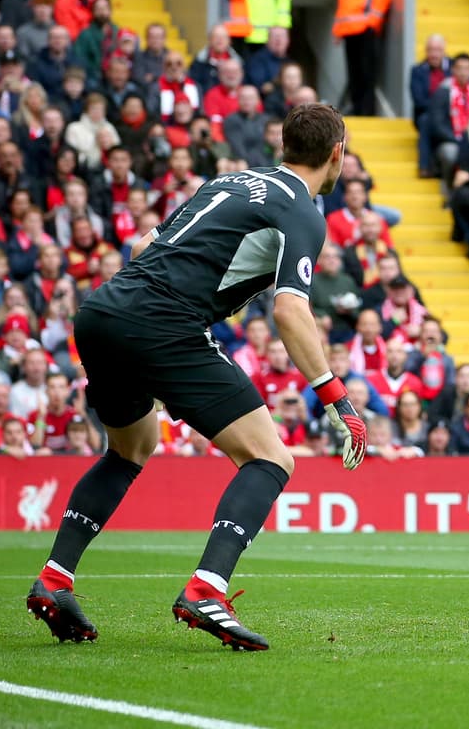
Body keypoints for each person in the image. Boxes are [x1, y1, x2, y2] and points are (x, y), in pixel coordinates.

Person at [25, 104, 368, 651]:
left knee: (132, 446)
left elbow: (142, 246)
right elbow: (290, 311)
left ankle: (55, 578)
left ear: (284, 146)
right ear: (337, 153)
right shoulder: (302, 210)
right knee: (271, 458)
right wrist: (338, 399)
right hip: (164, 323)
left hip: (103, 311)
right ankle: (207, 590)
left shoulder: (229, 181)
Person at [333, 0, 392, 115]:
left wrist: (372, 21)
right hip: (349, 29)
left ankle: (367, 110)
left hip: (365, 28)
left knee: (367, 72)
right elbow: (344, 2)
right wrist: (338, 30)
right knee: (354, 72)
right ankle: (357, 108)